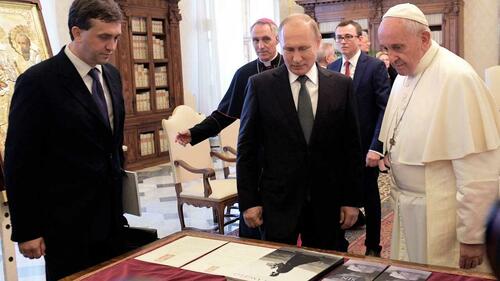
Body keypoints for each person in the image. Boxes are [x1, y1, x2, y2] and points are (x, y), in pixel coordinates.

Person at [4, 0, 127, 279]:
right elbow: (20, 161)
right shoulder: (38, 82)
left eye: (116, 37)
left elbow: (111, 145)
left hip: (110, 217)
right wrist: (28, 230)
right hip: (65, 223)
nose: (111, 46)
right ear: (77, 32)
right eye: (104, 37)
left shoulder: (112, 75)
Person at [378, 3, 500, 270]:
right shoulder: (404, 74)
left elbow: (479, 171)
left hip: (439, 214)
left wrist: (472, 236)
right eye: (385, 48)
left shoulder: (457, 78)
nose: (391, 57)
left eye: (397, 47)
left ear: (424, 38)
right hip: (407, 206)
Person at [237, 13, 364, 251]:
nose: (296, 58)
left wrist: (352, 200)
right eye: (289, 49)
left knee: (327, 267)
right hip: (277, 202)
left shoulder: (341, 85)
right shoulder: (259, 85)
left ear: (318, 43)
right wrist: (249, 201)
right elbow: (247, 148)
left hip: (327, 201)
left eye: (303, 48)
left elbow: (351, 148)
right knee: (275, 269)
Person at [175, 18, 283, 239]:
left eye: (266, 39)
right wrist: (195, 132)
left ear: (277, 40)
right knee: (252, 222)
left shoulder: (288, 68)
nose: (260, 45)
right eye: (255, 40)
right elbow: (224, 114)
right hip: (254, 156)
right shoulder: (245, 74)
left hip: (283, 157)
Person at [328, 20, 390, 257]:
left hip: (366, 149)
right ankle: (339, 243)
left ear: (359, 38)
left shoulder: (374, 67)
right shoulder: (331, 68)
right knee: (338, 196)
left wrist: (377, 147)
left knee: (370, 197)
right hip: (336, 152)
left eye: (348, 36)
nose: (343, 41)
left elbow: (384, 109)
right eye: (339, 37)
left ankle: (373, 246)